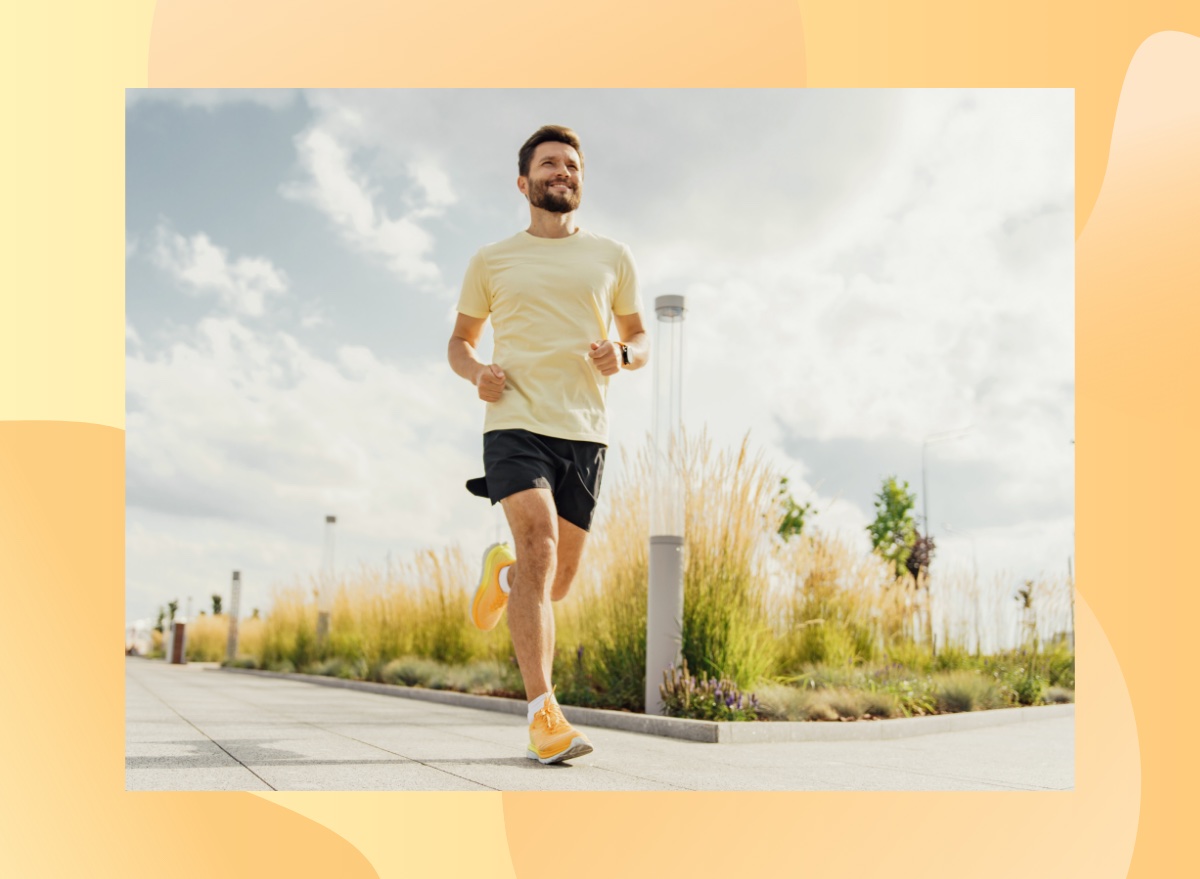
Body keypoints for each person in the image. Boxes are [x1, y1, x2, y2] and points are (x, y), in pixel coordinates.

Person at [447, 125, 648, 764]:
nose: (563, 172)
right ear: (524, 182)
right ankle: (544, 717)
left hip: (585, 432)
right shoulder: (491, 260)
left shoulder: (613, 256)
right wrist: (477, 372)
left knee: (553, 582)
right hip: (513, 422)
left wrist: (622, 353)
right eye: (550, 163)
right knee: (539, 539)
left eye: (572, 165)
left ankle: (501, 575)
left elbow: (640, 337)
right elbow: (460, 342)